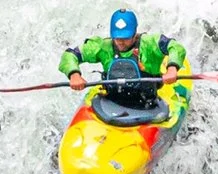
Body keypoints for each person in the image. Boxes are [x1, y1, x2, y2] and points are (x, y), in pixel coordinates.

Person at [61, 9, 190, 124]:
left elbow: (176, 47)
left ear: (135, 34)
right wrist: (74, 74)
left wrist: (172, 68)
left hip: (147, 105)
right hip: (110, 102)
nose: (121, 42)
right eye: (117, 38)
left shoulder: (149, 44)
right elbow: (70, 55)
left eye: (126, 38)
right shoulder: (103, 46)